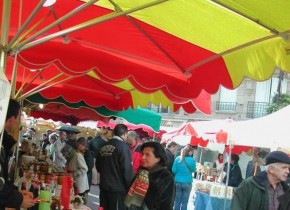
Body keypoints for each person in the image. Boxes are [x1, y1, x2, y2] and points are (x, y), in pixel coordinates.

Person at [0, 98, 36, 209]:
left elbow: (3, 179)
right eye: (17, 119)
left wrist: (17, 192)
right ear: (11, 119)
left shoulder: (3, 141)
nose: (17, 123)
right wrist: (19, 199)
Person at [125, 141, 175, 210]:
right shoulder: (141, 172)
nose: (143, 157)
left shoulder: (166, 177)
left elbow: (165, 205)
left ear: (158, 158)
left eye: (147, 155)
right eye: (143, 154)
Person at [96, 124, 134, 210]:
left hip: (104, 188)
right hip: (117, 190)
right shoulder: (123, 147)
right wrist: (130, 187)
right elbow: (127, 170)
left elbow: (98, 166)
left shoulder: (103, 146)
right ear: (124, 134)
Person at [172, 144, 196, 210]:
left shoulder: (177, 158)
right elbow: (194, 170)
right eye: (192, 152)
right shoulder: (192, 160)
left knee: (177, 201)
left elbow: (173, 170)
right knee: (185, 202)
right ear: (190, 152)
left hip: (177, 182)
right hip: (187, 182)